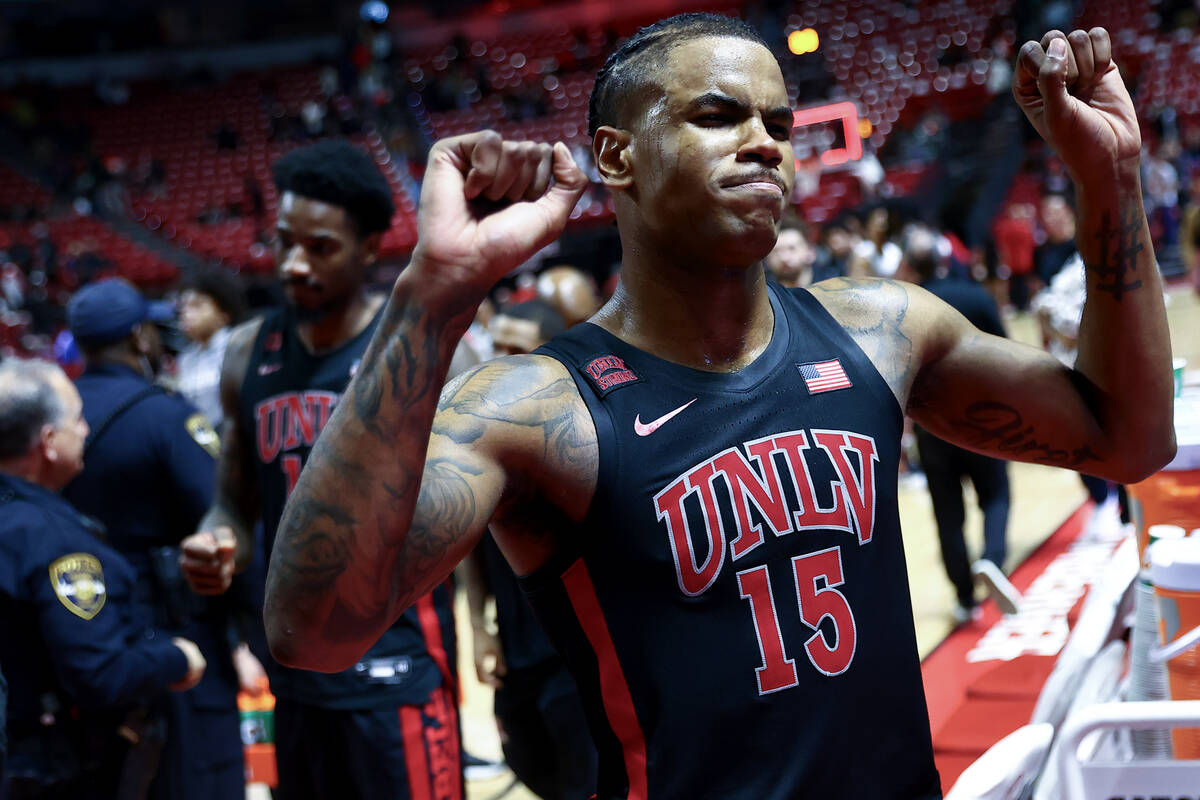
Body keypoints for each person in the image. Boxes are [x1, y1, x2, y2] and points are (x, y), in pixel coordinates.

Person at [261, 16, 1174, 798]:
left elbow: (1128, 439)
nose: (765, 142)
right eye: (717, 115)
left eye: (777, 122)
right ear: (615, 156)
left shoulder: (882, 329)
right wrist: (431, 298)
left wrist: (1112, 177)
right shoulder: (532, 406)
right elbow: (313, 633)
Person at [178, 139, 470, 800]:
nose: (293, 264)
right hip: (296, 670)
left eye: (319, 247)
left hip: (397, 668)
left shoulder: (422, 351)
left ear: (369, 248)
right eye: (284, 242)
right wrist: (219, 541)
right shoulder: (246, 352)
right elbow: (234, 501)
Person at [60, 279, 241, 800]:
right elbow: (221, 519)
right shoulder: (165, 413)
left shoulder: (58, 418)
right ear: (140, 337)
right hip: (176, 633)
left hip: (86, 634)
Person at [0, 358, 206, 799]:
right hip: (53, 768)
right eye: (76, 419)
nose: (86, 429)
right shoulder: (53, 542)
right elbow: (99, 675)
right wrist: (177, 658)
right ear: (49, 442)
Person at [464, 299, 597, 799]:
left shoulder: (586, 433)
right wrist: (479, 629)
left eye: (514, 349)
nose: (498, 361)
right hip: (515, 652)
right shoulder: (483, 436)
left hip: (577, 659)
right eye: (494, 346)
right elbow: (471, 542)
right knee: (529, 766)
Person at [901, 224, 1020, 623]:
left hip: (932, 426)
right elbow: (1006, 353)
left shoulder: (904, 307)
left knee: (947, 514)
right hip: (982, 417)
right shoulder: (975, 296)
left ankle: (965, 598)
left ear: (909, 265)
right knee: (996, 494)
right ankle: (992, 560)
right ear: (944, 259)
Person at [176, 268, 247, 430]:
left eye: (197, 305)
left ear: (224, 313)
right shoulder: (185, 358)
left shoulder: (238, 348)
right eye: (183, 307)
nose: (186, 313)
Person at [763, 213, 816, 288]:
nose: (784, 258)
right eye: (776, 251)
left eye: (792, 249)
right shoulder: (762, 289)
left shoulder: (830, 283)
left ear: (810, 252)